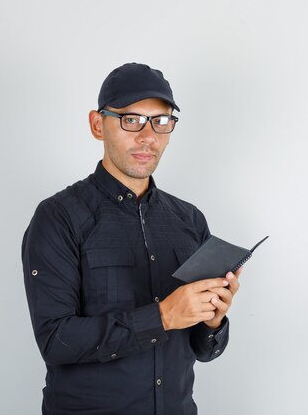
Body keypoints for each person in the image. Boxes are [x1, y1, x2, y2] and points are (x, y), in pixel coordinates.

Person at [21, 62, 242, 415]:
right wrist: (163, 316)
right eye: (131, 119)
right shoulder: (58, 217)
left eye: (161, 121)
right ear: (97, 124)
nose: (147, 136)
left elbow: (204, 350)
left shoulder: (189, 220)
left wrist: (213, 318)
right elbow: (56, 340)